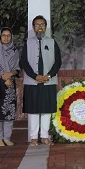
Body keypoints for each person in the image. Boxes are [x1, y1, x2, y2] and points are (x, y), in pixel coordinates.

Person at [21, 15, 62, 146]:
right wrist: (35, 76)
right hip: (32, 81)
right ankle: (33, 137)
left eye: (42, 24)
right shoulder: (27, 43)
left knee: (46, 109)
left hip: (48, 81)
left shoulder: (52, 42)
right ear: (33, 27)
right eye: (37, 25)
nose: (40, 27)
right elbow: (23, 62)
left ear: (45, 27)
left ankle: (45, 136)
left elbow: (58, 62)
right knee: (33, 110)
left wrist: (48, 76)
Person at [0, 27, 20, 147]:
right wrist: (5, 77)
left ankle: (7, 137)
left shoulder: (14, 50)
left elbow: (17, 68)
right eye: (4, 35)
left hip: (10, 85)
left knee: (9, 111)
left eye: (8, 35)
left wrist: (10, 75)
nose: (6, 38)